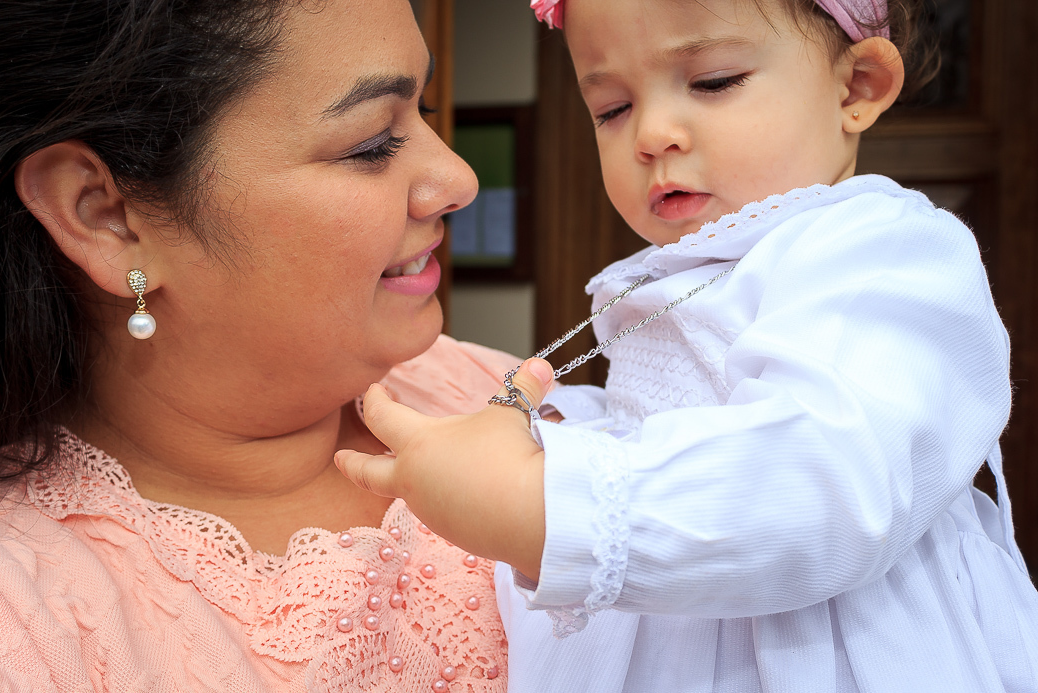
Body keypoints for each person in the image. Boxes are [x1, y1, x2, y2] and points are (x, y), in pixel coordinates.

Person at [336, 0, 1038, 690]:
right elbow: (676, 417)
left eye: (713, 82)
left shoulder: (885, 252)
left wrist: (541, 499)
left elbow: (828, 474)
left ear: (856, 87)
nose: (653, 133)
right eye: (612, 109)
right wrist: (562, 429)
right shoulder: (689, 272)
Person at [0, 0, 517, 690]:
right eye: (371, 144)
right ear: (105, 215)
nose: (459, 180)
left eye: (424, 109)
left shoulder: (507, 395)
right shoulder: (33, 623)